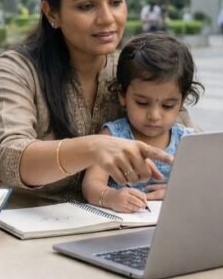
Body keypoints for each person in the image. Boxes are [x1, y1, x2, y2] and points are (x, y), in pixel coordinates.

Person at [0, 0, 189, 206]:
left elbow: (196, 147)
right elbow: (9, 158)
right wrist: (93, 148)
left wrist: (181, 184)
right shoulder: (17, 71)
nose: (107, 18)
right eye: (86, 6)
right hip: (26, 226)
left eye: (116, 1)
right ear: (51, 12)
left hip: (114, 227)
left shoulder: (134, 69)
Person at [82, 33, 201, 212]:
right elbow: (91, 184)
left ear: (182, 101)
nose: (154, 115)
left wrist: (179, 192)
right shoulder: (113, 137)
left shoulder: (188, 142)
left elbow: (207, 184)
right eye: (142, 103)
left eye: (168, 105)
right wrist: (111, 197)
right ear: (122, 95)